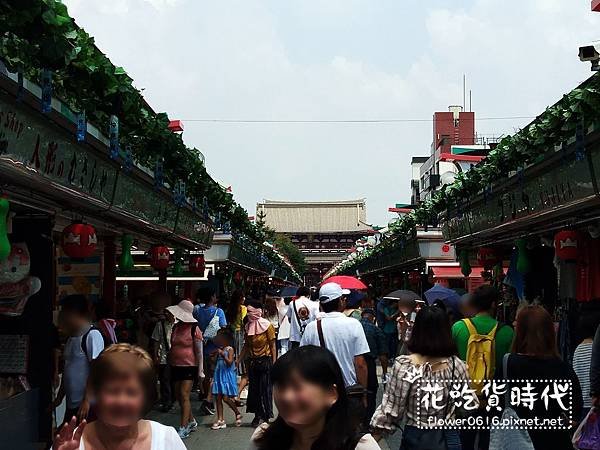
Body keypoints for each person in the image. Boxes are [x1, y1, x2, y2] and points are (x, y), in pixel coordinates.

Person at [371, 305, 473, 450]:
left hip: (416, 438)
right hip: (447, 438)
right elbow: (466, 406)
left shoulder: (405, 365)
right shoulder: (457, 366)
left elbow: (391, 412)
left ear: (417, 330)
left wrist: (371, 437)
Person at [52, 343, 186, 450]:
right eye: (112, 391)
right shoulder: (73, 441)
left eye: (131, 392)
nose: (121, 401)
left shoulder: (166, 439)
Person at [249, 346, 379, 450]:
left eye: (297, 387)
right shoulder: (262, 438)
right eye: (281, 386)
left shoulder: (360, 446)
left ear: (331, 394)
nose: (286, 397)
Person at [503, 305, 582, 449]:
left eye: (516, 321)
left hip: (515, 440)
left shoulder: (507, 364)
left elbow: (496, 403)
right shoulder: (561, 367)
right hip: (554, 441)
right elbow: (575, 414)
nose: (513, 324)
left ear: (521, 331)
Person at [451, 285, 513, 450]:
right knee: (489, 441)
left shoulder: (458, 328)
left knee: (464, 440)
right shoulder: (507, 331)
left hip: (464, 396)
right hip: (494, 397)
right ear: (494, 304)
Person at [300, 282, 369, 416]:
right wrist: (363, 395)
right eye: (343, 298)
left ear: (321, 304)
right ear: (341, 301)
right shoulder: (354, 325)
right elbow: (360, 364)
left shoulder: (311, 328)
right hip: (348, 391)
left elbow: (303, 361)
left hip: (320, 392)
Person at [54, 295, 105, 424]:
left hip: (87, 405)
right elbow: (67, 371)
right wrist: (60, 397)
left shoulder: (92, 335)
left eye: (65, 313)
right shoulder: (72, 339)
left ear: (75, 314)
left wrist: (87, 401)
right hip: (72, 404)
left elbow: (97, 371)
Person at [167, 299, 204, 439]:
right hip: (176, 365)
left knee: (184, 394)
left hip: (190, 366)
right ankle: (191, 420)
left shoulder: (195, 329)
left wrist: (201, 370)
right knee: (179, 395)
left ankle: (183, 427)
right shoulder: (176, 327)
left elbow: (199, 352)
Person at [240, 301, 277, 427]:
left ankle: (266, 415)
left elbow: (272, 346)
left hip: (265, 360)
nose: (249, 314)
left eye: (250, 311)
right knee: (254, 390)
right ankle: (257, 415)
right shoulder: (247, 326)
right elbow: (246, 345)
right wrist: (238, 360)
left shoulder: (267, 326)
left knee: (265, 389)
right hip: (253, 362)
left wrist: (274, 363)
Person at [194, 286, 227, 415]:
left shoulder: (196, 312)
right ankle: (208, 401)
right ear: (212, 297)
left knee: (206, 377)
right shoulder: (219, 312)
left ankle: (208, 399)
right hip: (215, 349)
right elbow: (223, 329)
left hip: (201, 349)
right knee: (215, 376)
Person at [359, 308, 388, 425]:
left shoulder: (353, 328)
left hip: (354, 364)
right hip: (369, 365)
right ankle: (368, 422)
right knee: (370, 393)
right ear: (373, 318)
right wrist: (385, 373)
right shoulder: (376, 330)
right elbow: (383, 356)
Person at [210, 328, 243, 429]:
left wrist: (222, 354)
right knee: (218, 398)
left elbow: (229, 362)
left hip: (226, 376)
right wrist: (214, 356)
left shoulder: (230, 349)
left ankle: (237, 412)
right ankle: (220, 419)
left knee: (225, 398)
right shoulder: (219, 348)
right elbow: (215, 362)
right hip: (219, 375)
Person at [573, 313, 599, 418]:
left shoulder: (577, 350)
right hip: (595, 401)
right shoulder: (596, 348)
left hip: (583, 402)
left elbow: (576, 377)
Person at [226, 289, 248, 406]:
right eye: (243, 297)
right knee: (241, 363)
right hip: (240, 335)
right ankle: (237, 394)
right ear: (240, 298)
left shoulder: (230, 309)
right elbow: (244, 322)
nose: (244, 299)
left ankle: (231, 390)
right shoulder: (243, 309)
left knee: (232, 362)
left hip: (231, 335)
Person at [151, 308, 175, 412]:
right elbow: (156, 341)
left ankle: (172, 399)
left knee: (173, 379)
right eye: (165, 313)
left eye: (168, 313)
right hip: (164, 356)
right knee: (164, 379)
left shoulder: (178, 325)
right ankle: (166, 402)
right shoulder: (160, 325)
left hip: (177, 356)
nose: (166, 315)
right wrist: (156, 355)